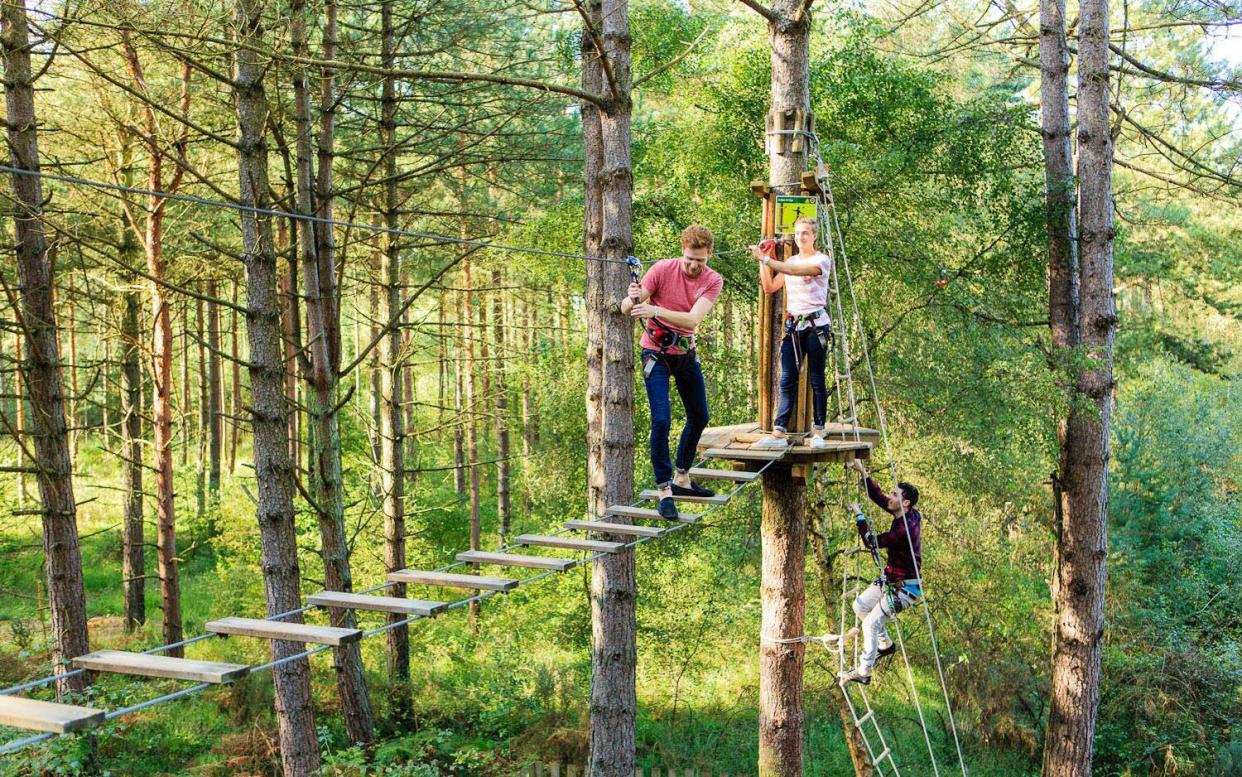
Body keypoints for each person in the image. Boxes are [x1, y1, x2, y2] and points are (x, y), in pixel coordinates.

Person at [620, 225, 724, 520]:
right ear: (682, 251)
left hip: (684, 353)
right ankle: (664, 490)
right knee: (662, 419)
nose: (693, 266)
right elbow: (628, 307)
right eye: (690, 258)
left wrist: (655, 310)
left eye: (700, 261)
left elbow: (692, 320)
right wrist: (633, 298)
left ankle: (682, 477)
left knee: (700, 415)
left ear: (709, 257)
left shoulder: (713, 280)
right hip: (655, 353)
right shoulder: (662, 270)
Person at [748, 216, 834, 450]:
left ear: (814, 236)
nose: (800, 237)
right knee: (787, 378)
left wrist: (766, 258)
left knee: (817, 379)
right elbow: (769, 287)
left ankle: (818, 430)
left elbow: (793, 271)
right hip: (794, 327)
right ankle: (779, 432)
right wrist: (762, 261)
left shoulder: (822, 260)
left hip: (816, 326)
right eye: (797, 233)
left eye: (805, 233)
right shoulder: (791, 260)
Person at [835, 457, 924, 684]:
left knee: (870, 623)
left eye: (895, 495)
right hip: (892, 579)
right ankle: (885, 644)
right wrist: (863, 472)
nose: (889, 497)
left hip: (905, 589)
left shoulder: (903, 530)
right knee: (860, 606)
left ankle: (864, 671)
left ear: (905, 503)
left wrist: (859, 515)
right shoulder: (911, 514)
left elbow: (872, 542)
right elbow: (879, 498)